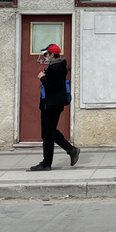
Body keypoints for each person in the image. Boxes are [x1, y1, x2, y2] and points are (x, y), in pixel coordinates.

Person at [27, 43, 80, 171]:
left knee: (48, 133)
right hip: (53, 104)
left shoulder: (55, 67)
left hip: (51, 105)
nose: (45, 56)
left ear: (52, 54)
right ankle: (65, 153)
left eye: (46, 54)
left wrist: (42, 78)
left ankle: (49, 162)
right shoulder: (57, 66)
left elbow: (52, 86)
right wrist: (46, 76)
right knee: (49, 133)